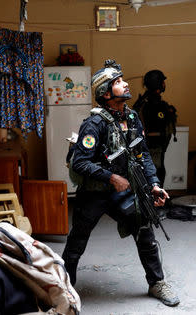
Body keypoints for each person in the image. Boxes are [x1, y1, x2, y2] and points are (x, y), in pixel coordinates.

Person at [62, 59, 180, 307]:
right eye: (118, 82)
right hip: (94, 192)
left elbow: (143, 154)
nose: (125, 84)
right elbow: (79, 163)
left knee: (145, 230)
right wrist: (111, 177)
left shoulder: (133, 118)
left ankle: (157, 282)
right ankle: (65, 287)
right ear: (105, 93)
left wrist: (154, 184)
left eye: (122, 80)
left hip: (124, 191)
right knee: (77, 242)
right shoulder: (94, 124)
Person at [133, 70, 177, 188]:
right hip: (153, 147)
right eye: (162, 82)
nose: (164, 84)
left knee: (153, 171)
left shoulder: (143, 101)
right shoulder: (153, 104)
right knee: (156, 172)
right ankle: (156, 203)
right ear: (158, 84)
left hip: (150, 147)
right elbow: (159, 125)